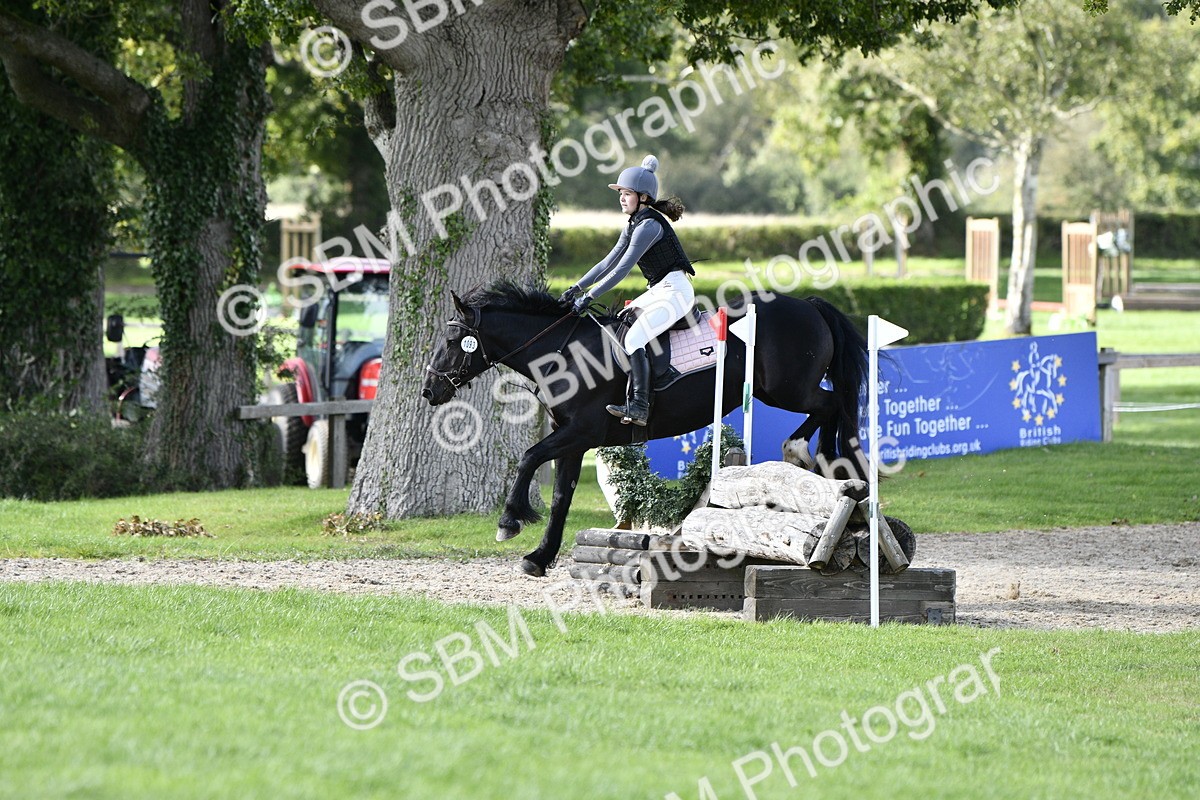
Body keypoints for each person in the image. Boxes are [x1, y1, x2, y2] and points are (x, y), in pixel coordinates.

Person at [559, 155, 695, 426]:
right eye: (620, 193)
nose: (621, 198)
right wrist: (576, 288)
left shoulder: (649, 226)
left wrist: (589, 297)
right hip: (661, 289)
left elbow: (621, 269)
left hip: (677, 292)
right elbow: (607, 262)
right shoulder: (634, 223)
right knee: (623, 322)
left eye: (627, 194)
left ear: (643, 198)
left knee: (633, 340)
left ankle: (640, 406)